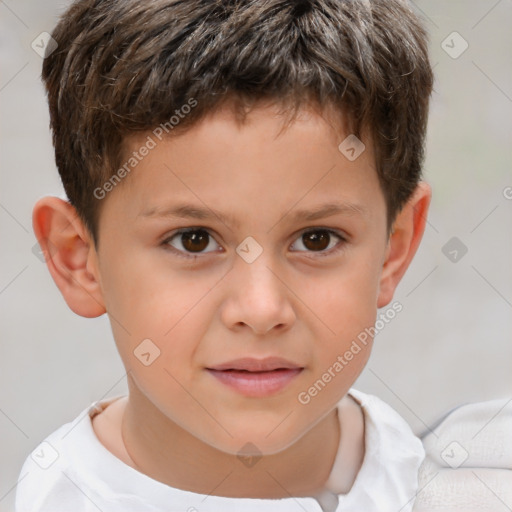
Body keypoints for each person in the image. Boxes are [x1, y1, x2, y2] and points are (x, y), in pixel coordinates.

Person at [15, 0, 439, 510]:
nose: (261, 311)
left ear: (393, 253)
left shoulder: (452, 488)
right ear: (78, 258)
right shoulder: (55, 497)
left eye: (317, 239)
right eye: (193, 240)